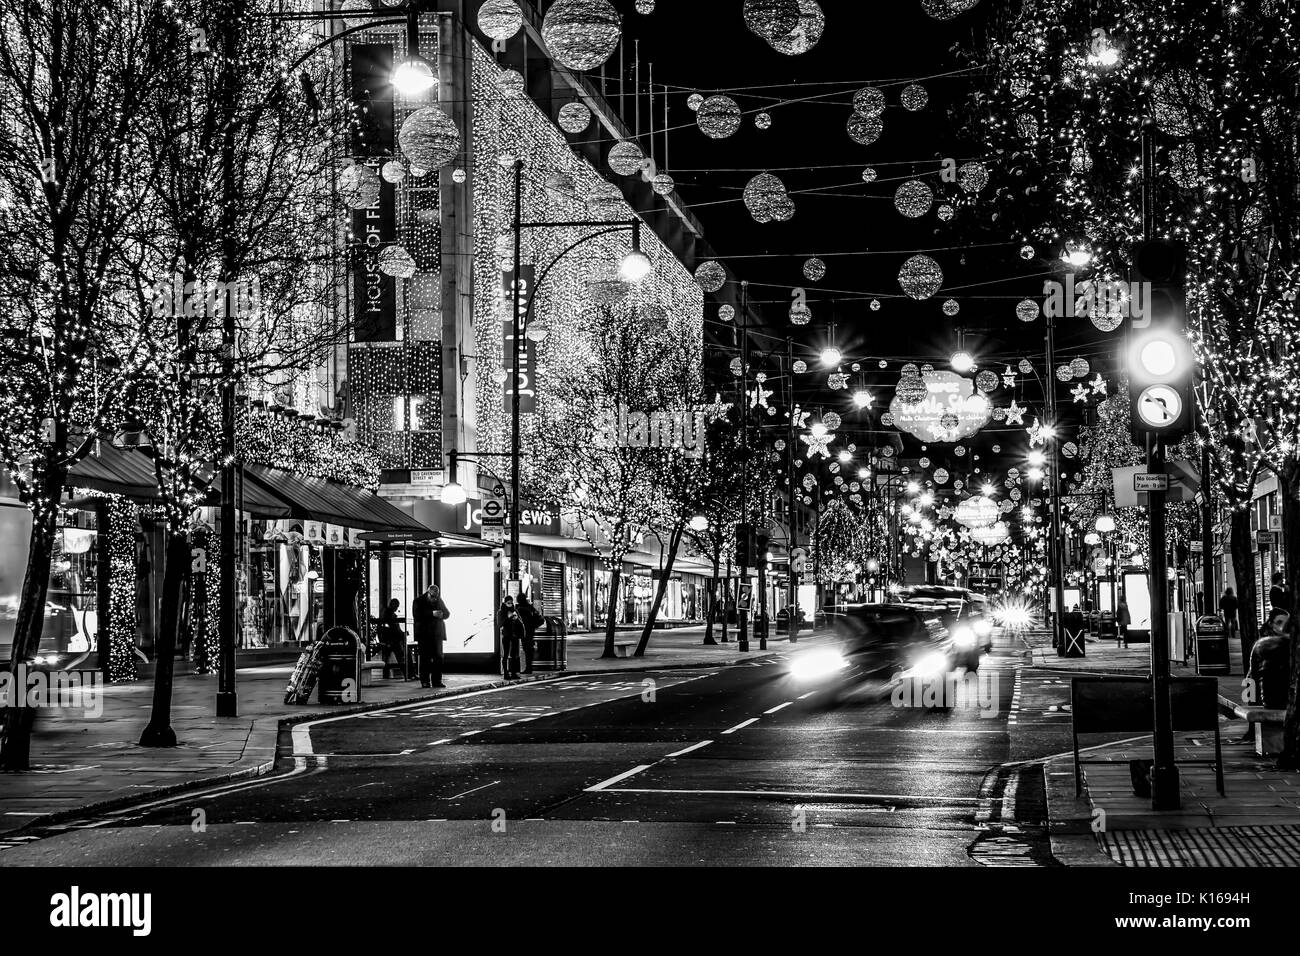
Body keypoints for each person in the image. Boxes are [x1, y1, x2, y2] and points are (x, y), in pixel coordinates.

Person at [1247, 608, 1292, 709]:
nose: (1282, 627)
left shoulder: (1289, 642)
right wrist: (1252, 703)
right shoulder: (1263, 645)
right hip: (1273, 699)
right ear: (1271, 624)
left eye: (1286, 623)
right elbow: (1251, 676)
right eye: (1279, 622)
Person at [412, 584, 450, 689]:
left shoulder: (438, 600)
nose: (434, 599)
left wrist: (442, 614)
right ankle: (425, 681)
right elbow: (417, 615)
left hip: (437, 634)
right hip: (424, 635)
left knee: (438, 658)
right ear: (428, 593)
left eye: (436, 596)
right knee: (425, 659)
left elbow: (447, 613)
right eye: (432, 596)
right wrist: (432, 613)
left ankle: (437, 681)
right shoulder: (418, 601)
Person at [375, 598, 406, 680]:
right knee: (401, 654)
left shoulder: (384, 613)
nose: (397, 609)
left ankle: (388, 673)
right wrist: (402, 634)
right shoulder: (390, 615)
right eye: (396, 606)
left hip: (387, 639)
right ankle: (407, 673)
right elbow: (394, 629)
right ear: (393, 605)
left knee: (394, 655)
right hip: (391, 640)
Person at [498, 596, 525, 679]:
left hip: (515, 635)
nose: (510, 604)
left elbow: (521, 622)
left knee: (514, 655)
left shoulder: (515, 611)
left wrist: (517, 619)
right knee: (505, 654)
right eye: (508, 603)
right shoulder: (501, 612)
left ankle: (513, 673)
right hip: (506, 635)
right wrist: (508, 618)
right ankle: (506, 673)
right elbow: (500, 624)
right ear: (505, 603)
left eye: (511, 602)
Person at [517, 593, 543, 675]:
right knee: (529, 650)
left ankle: (528, 668)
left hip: (523, 632)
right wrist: (533, 626)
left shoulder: (519, 609)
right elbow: (541, 619)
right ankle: (529, 667)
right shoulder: (530, 608)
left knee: (526, 650)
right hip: (530, 632)